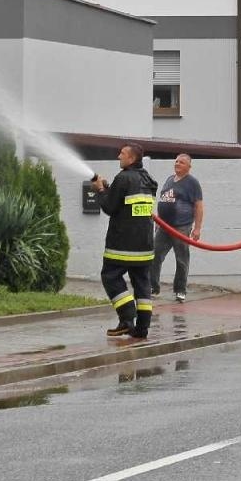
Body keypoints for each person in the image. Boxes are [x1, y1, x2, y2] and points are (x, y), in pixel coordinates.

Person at [90, 144, 157, 339]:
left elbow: (110, 207)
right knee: (142, 283)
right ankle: (142, 328)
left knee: (110, 277)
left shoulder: (123, 177)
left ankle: (127, 319)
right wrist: (109, 189)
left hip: (122, 245)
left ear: (132, 159)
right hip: (144, 245)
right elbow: (127, 203)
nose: (119, 156)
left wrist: (100, 190)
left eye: (123, 153)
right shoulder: (148, 180)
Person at [151, 153, 204, 301]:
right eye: (176, 161)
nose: (177, 164)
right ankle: (153, 287)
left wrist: (197, 228)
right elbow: (164, 200)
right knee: (155, 255)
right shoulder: (169, 179)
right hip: (164, 226)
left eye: (181, 162)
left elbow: (199, 206)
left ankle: (180, 290)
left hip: (181, 227)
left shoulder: (192, 183)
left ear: (189, 166)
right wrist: (159, 221)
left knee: (181, 259)